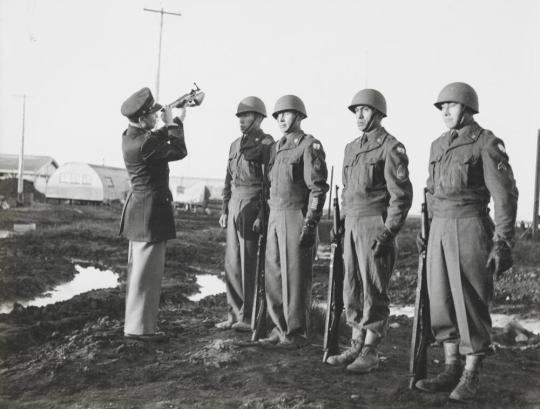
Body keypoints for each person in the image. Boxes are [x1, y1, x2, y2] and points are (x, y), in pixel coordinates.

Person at [415, 82, 518, 402]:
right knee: (441, 300)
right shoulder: (437, 145)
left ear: (469, 108)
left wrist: (503, 241)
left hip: (471, 226)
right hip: (439, 229)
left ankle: (471, 373)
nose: (445, 111)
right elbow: (431, 192)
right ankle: (450, 368)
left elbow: (505, 195)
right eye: (441, 106)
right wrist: (426, 229)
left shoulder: (485, 143)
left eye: (452, 105)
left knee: (470, 300)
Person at [325, 89, 413, 372]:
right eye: (356, 111)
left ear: (377, 112)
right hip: (351, 224)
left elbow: (401, 196)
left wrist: (388, 232)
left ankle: (371, 351)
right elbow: (347, 190)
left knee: (374, 290)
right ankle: (355, 345)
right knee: (351, 288)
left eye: (364, 110)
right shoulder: (351, 148)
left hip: (375, 225)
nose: (359, 116)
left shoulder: (391, 147)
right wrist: (340, 226)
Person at [260, 95, 329, 347]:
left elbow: (318, 189)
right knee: (274, 275)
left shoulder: (309, 145)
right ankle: (278, 329)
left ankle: (296, 332)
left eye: (286, 114)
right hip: (275, 216)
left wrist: (310, 223)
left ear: (299, 116)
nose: (280, 118)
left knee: (295, 277)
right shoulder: (276, 148)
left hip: (296, 216)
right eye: (277, 115)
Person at [119, 87, 188, 341]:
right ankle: (141, 330)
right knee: (147, 276)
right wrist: (172, 123)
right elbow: (179, 150)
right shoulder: (144, 143)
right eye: (152, 113)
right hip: (150, 214)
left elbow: (155, 137)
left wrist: (177, 118)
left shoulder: (131, 136)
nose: (157, 115)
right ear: (140, 118)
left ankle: (136, 326)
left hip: (140, 213)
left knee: (139, 273)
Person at [216, 96, 274, 331]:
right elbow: (228, 180)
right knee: (232, 263)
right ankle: (233, 313)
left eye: (246, 116)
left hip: (253, 204)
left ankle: (249, 317)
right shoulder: (234, 145)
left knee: (250, 263)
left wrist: (262, 213)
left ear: (258, 118)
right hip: (234, 207)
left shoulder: (267, 144)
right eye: (240, 116)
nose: (241, 120)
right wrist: (224, 208)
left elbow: (269, 183)